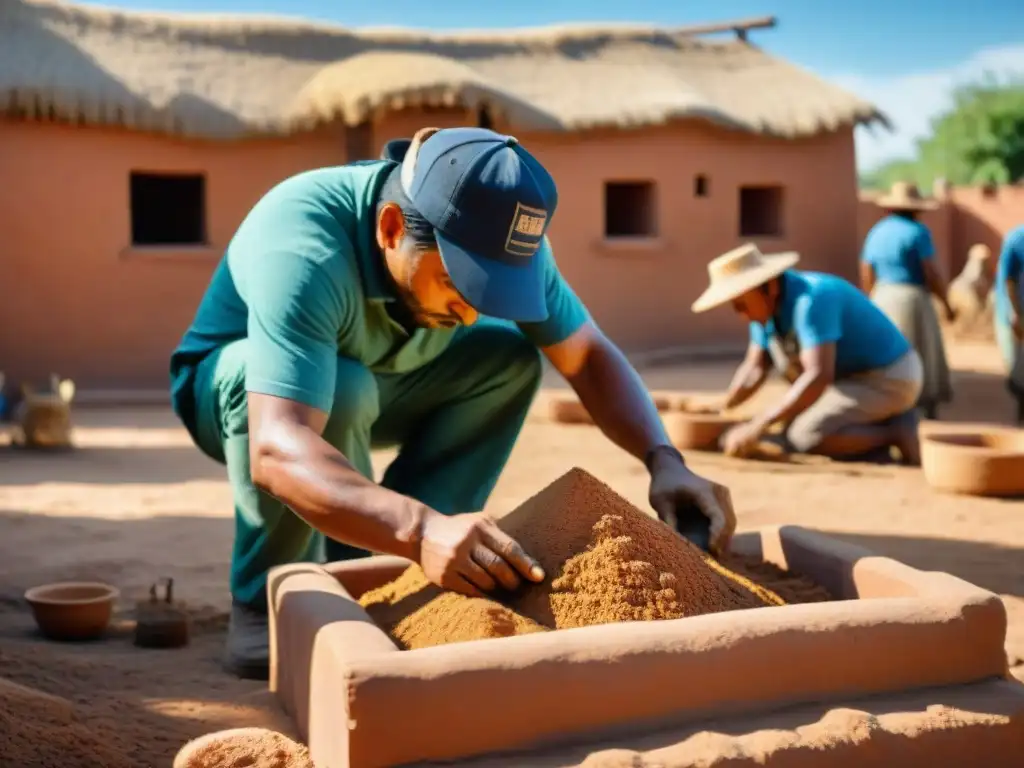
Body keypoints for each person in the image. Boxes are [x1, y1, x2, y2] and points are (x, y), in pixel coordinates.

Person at [169, 126, 736, 680]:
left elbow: (586, 357)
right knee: (343, 387)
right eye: (457, 284)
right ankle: (269, 594)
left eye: (485, 291)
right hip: (248, 398)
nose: (467, 311)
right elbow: (276, 446)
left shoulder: (506, 239)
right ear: (392, 228)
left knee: (508, 357)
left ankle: (395, 575)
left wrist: (665, 459)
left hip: (389, 377)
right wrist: (416, 527)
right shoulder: (303, 239)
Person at [690, 243, 923, 464]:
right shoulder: (764, 313)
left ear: (769, 287)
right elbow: (755, 368)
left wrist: (757, 425)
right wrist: (724, 405)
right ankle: (867, 423)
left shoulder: (812, 300)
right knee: (788, 427)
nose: (740, 314)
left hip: (887, 377)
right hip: (846, 381)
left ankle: (894, 431)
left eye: (741, 305)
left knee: (804, 436)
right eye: (734, 307)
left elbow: (818, 376)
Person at [859, 182, 954, 419]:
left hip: (883, 295)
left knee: (889, 353)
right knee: (922, 350)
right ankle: (925, 403)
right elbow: (931, 271)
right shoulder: (918, 232)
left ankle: (890, 402)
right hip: (912, 297)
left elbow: (866, 269)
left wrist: (871, 298)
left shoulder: (877, 231)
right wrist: (946, 302)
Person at [994, 225, 1024, 373]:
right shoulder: (1017, 239)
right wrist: (1015, 313)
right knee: (1017, 369)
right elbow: (1008, 279)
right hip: (1015, 311)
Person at [947, 243, 994, 335]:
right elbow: (977, 283)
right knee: (971, 312)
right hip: (963, 291)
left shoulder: (977, 271)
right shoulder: (976, 270)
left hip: (959, 289)